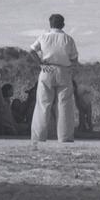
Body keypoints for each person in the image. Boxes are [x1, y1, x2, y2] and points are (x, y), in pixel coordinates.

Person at [30, 14, 79, 142]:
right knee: (64, 105)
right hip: (63, 71)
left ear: (50, 24)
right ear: (63, 24)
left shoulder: (43, 37)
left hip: (46, 70)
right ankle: (65, 137)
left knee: (43, 104)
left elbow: (32, 50)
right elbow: (74, 59)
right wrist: (71, 71)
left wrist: (40, 63)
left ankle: (38, 137)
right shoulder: (68, 39)